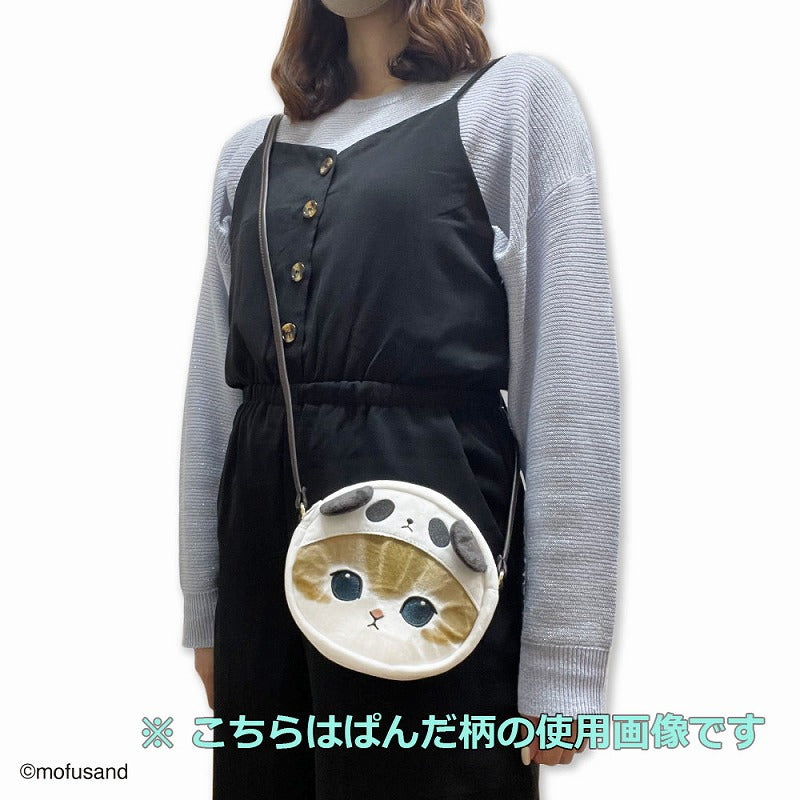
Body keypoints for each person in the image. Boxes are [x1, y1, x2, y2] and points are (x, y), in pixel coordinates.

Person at [179, 0, 621, 797]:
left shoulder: (509, 104)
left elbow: (570, 380)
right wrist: (206, 608)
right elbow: (217, 397)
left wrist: (564, 654)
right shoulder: (250, 154)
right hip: (263, 577)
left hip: (429, 560)